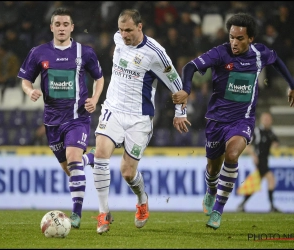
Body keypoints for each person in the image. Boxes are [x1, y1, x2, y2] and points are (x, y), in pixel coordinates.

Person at [172, 12, 294, 230]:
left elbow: (277, 62)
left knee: (232, 154)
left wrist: (292, 84)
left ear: (250, 39)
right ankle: (210, 190)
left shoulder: (260, 54)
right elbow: (189, 67)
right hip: (216, 120)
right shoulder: (221, 52)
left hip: (242, 120)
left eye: (239, 38)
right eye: (231, 37)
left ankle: (218, 209)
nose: (234, 42)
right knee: (212, 167)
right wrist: (187, 89)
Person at [91, 9, 190, 234]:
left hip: (139, 118)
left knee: (127, 171)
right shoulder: (118, 39)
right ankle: (103, 213)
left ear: (140, 27)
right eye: (121, 30)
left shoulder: (156, 54)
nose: (124, 35)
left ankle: (142, 199)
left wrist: (180, 112)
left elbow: (177, 85)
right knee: (101, 154)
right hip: (113, 110)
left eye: (128, 30)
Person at [17, 7, 104, 229]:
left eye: (66, 24)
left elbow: (99, 78)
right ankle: (89, 159)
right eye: (58, 24)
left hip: (77, 118)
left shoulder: (85, 52)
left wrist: (94, 98)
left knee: (74, 161)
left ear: (72, 27)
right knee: (69, 168)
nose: (62, 28)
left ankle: (76, 215)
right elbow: (26, 80)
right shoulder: (39, 52)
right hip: (52, 121)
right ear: (52, 27)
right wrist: (30, 92)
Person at [237, 112, 280, 212]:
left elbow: (276, 142)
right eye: (265, 119)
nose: (267, 121)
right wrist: (254, 155)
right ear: (261, 120)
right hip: (260, 160)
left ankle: (242, 204)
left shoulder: (270, 132)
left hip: (265, 160)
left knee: (256, 183)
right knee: (270, 178)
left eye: (268, 119)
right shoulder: (257, 131)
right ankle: (272, 206)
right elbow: (247, 145)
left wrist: (275, 144)